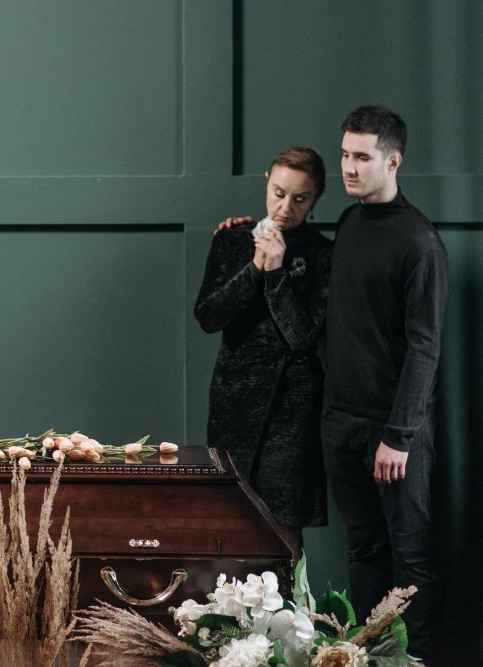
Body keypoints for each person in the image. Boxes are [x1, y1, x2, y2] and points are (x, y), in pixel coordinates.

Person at [322, 106, 446, 662]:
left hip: (394, 432)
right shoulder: (349, 223)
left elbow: (425, 348)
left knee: (411, 559)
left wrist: (398, 436)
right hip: (339, 422)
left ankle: (416, 663)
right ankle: (363, 658)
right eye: (345, 155)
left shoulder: (420, 243)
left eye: (362, 157)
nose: (349, 168)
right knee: (363, 550)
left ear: (393, 161)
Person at [195, 147, 333, 561]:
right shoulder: (233, 239)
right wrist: (255, 266)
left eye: (300, 199)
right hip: (234, 398)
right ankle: (224, 604)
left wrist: (275, 271)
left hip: (292, 406)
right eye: (278, 193)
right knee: (229, 514)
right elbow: (209, 317)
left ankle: (292, 604)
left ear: (316, 197)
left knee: (283, 520)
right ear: (267, 183)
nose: (286, 207)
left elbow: (302, 337)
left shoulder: (324, 254)